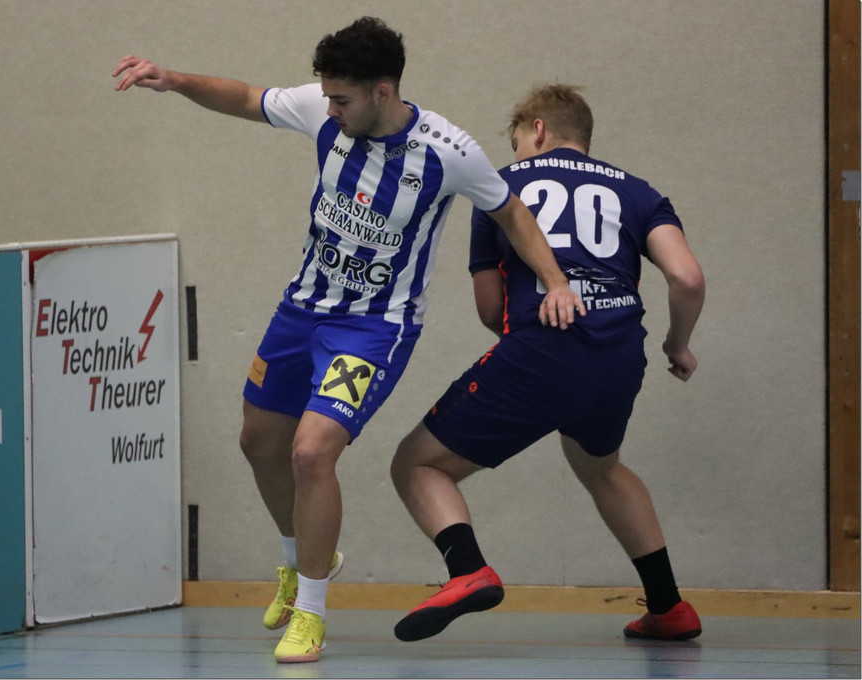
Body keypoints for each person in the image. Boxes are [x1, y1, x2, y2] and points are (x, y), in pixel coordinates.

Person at [113, 19, 585, 663]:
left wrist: (555, 281)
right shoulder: (323, 110)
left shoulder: (448, 150)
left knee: (312, 453)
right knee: (259, 443)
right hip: (300, 311)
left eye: (342, 100)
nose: (329, 108)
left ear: (382, 92)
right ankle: (300, 560)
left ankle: (311, 613)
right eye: (327, 97)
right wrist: (173, 79)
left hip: (372, 330)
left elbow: (513, 214)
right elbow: (246, 97)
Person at [389, 84, 706, 643]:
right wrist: (677, 345)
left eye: (515, 141)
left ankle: (467, 571)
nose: (515, 154)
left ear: (536, 130)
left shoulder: (500, 186)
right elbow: (687, 278)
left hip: (543, 349)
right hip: (620, 357)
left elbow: (490, 308)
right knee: (600, 465)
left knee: (417, 464)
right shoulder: (639, 192)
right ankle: (669, 607)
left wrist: (539, 361)